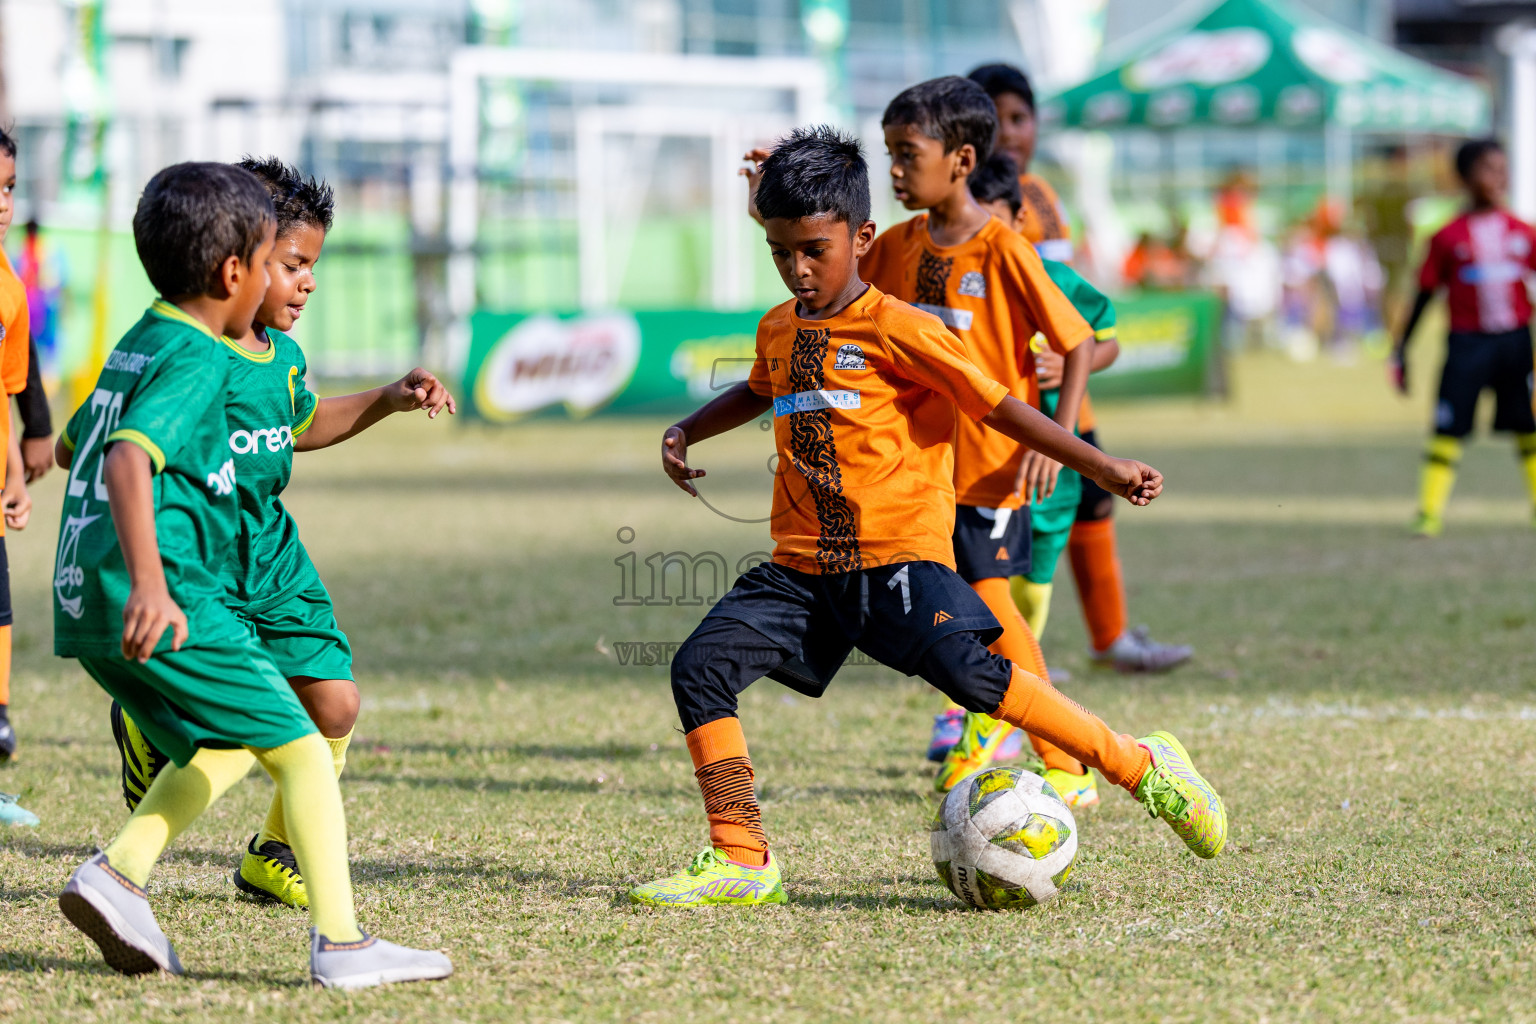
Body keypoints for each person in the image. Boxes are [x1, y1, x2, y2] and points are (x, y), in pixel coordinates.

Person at [627, 126, 1226, 908]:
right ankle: (742, 857)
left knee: (978, 679)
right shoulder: (780, 328)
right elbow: (759, 387)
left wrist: (1098, 461)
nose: (798, 269)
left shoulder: (901, 328)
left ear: (861, 238)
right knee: (699, 667)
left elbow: (1000, 406)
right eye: (780, 253)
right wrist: (686, 430)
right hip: (803, 567)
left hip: (897, 560)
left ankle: (1143, 766)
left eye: (814, 249)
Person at [49, 161, 450, 987]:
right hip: (173, 589)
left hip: (98, 592)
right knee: (302, 751)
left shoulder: (144, 342)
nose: (298, 280)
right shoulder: (200, 357)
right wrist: (155, 583)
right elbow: (127, 457)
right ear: (238, 270)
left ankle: (120, 874)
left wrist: (382, 399)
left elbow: (75, 446)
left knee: (239, 740)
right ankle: (340, 945)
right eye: (282, 259)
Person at [850, 77, 1092, 798]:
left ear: (959, 159)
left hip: (990, 469)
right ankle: (993, 728)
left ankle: (1066, 761)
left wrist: (1053, 439)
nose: (892, 170)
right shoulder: (895, 245)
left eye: (906, 154)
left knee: (992, 606)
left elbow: (1075, 342)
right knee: (956, 612)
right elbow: (839, 295)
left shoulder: (1004, 249)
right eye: (887, 153)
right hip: (917, 471)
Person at [968, 62, 1193, 677]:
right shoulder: (967, 205)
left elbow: (1074, 308)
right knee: (1004, 530)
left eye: (1021, 117)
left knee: (1093, 504)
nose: (1010, 131)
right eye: (997, 117)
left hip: (1068, 397)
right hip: (1004, 401)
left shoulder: (1041, 194)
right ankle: (1007, 660)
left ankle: (1108, 639)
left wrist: (1077, 356)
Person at [969, 153, 1122, 807]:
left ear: (1017, 216)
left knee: (1022, 595)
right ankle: (987, 724)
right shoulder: (941, 274)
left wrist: (1058, 432)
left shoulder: (1047, 275)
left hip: (1040, 461)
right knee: (978, 599)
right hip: (969, 463)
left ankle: (1052, 742)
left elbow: (1097, 338)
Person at [1390, 138, 1536, 537]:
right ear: (1465, 177)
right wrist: (1401, 349)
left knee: (1528, 425)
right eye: (1489, 169)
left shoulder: (1522, 232)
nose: (1498, 178)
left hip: (1515, 343)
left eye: (1502, 170)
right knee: (1448, 428)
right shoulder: (1448, 237)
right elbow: (1423, 294)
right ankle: (1429, 512)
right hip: (1467, 344)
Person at [0, 128, 35, 777]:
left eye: (7, 187)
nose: (1, 202)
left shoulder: (10, 289)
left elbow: (7, 391)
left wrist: (14, 475)